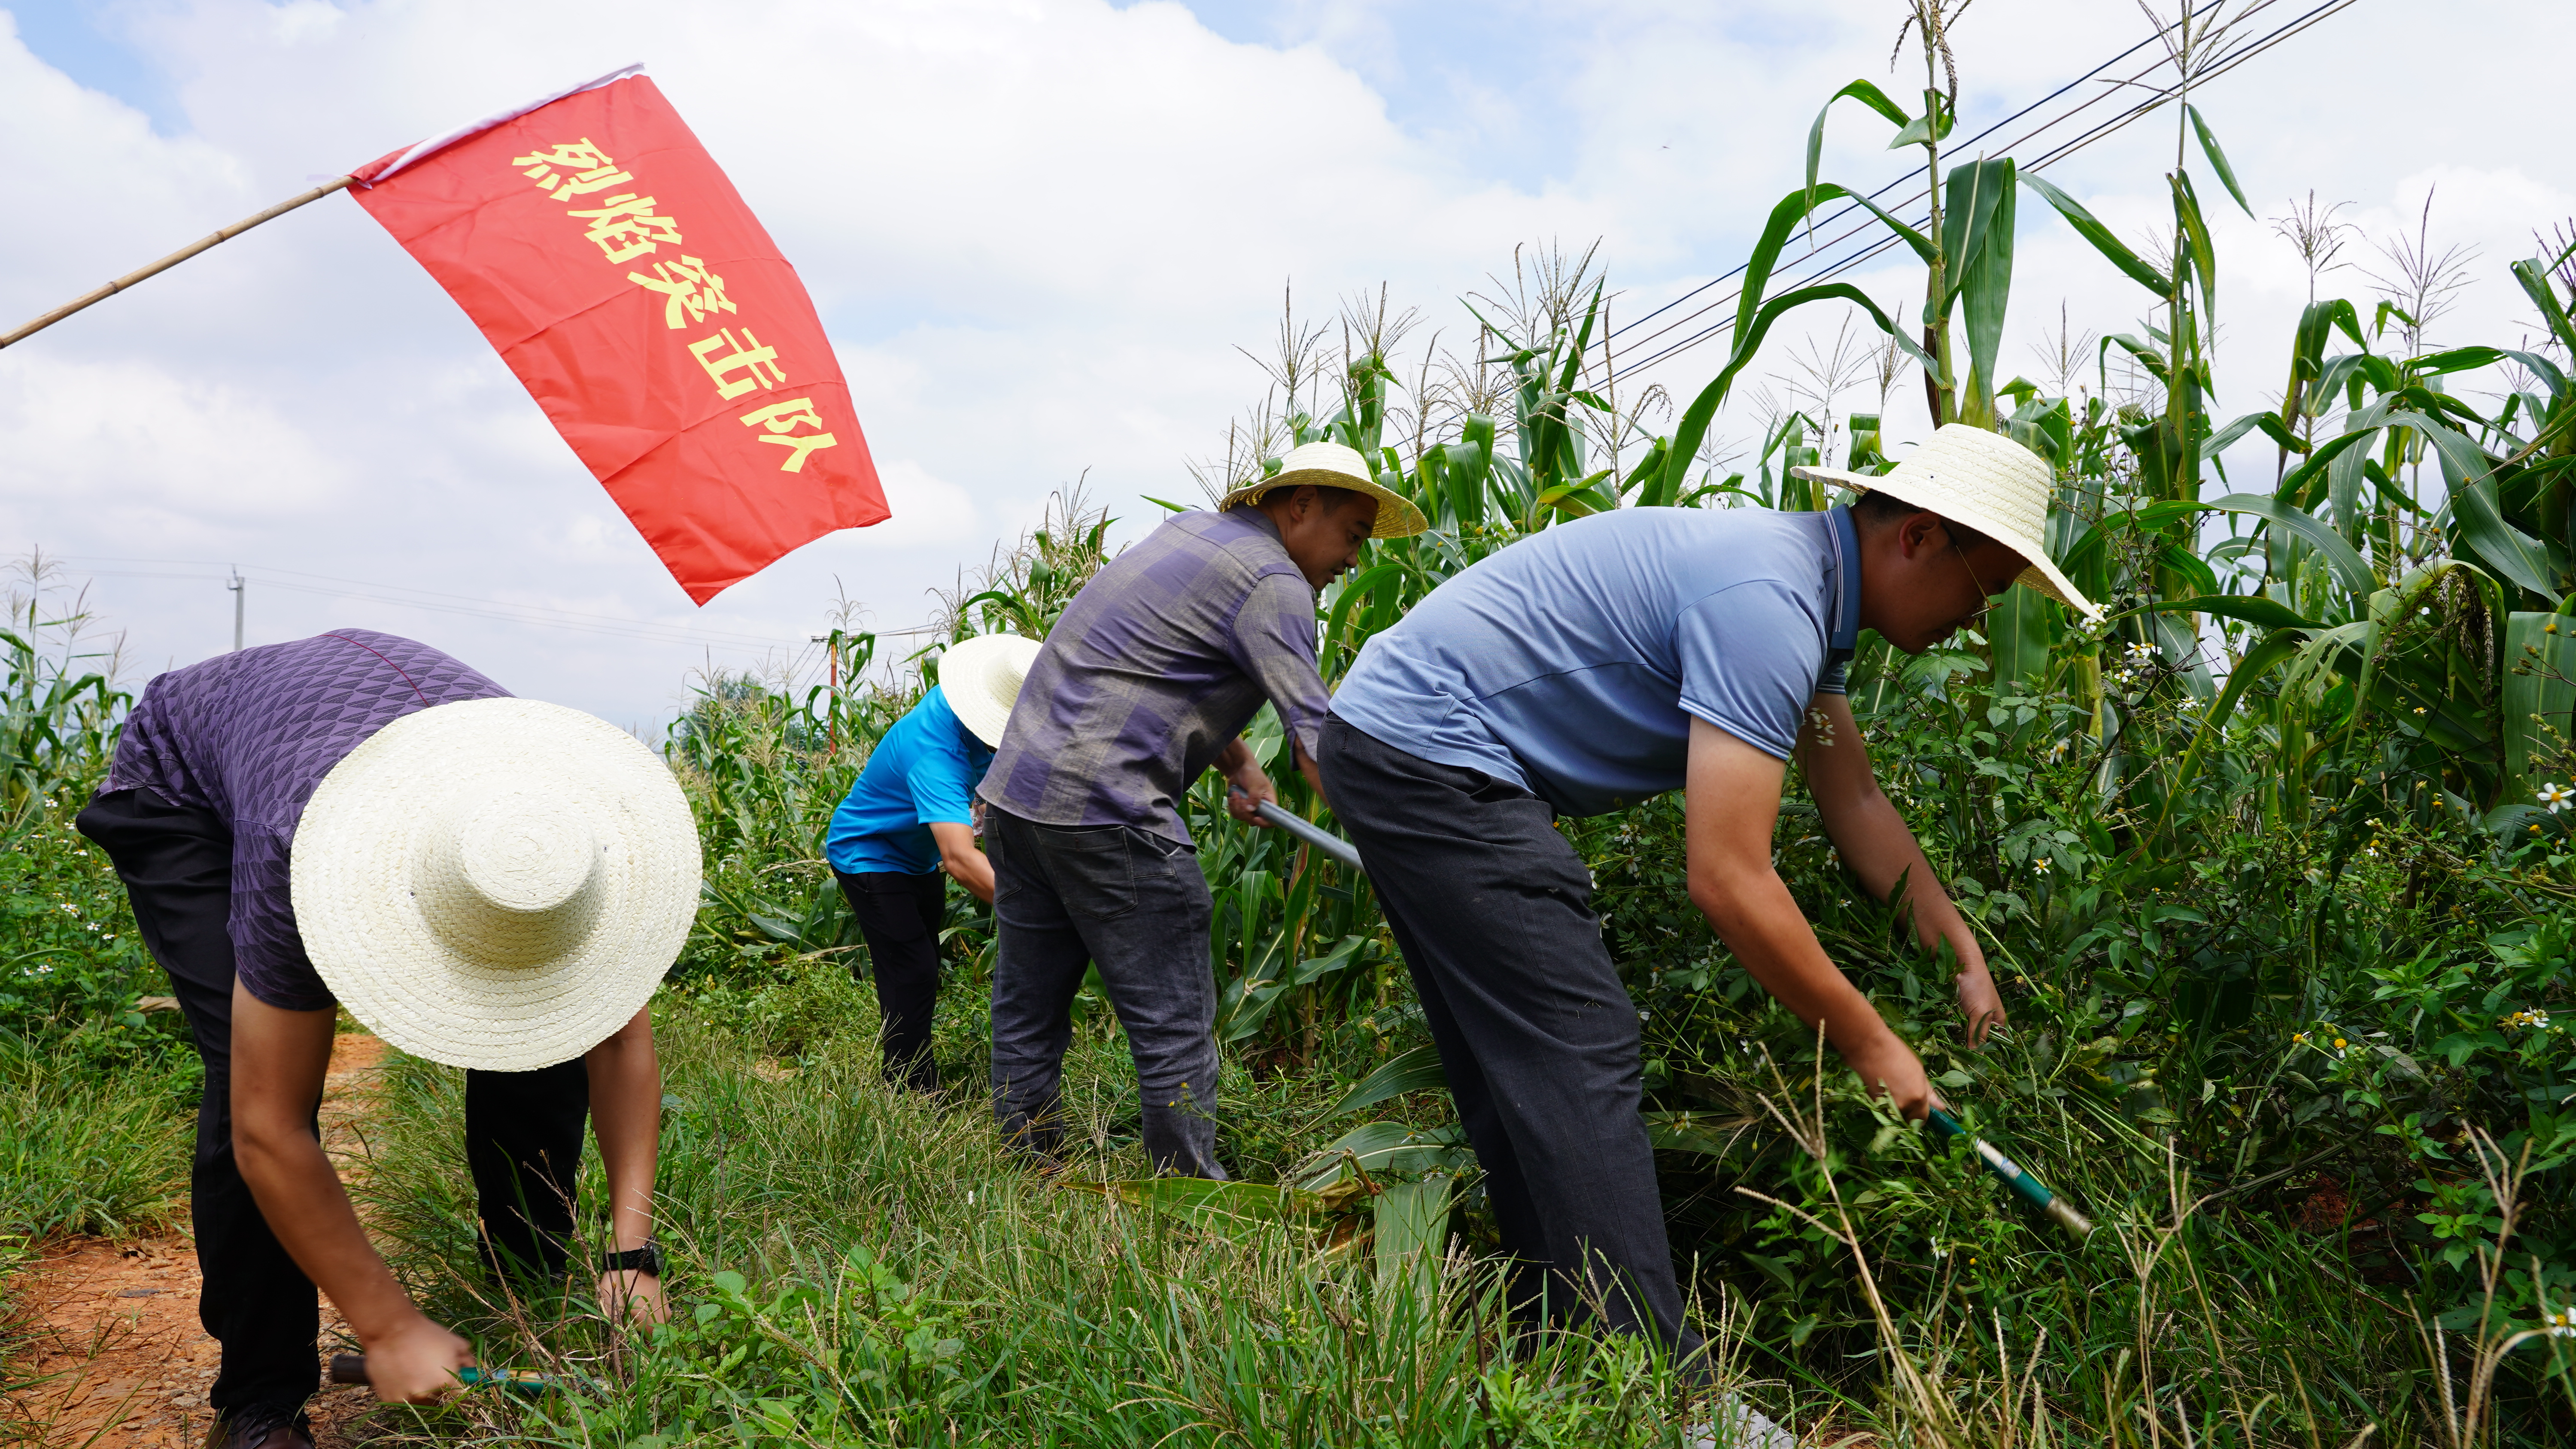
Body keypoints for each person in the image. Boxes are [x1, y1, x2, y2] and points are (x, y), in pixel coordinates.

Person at [1318, 424, 2097, 1365]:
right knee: (1578, 1041)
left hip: (1397, 742)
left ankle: (1562, 1349)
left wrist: (1964, 956)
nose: (1982, 618)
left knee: (1518, 1062)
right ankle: (1664, 1389)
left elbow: (1853, 797)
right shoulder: (1771, 603)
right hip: (1432, 752)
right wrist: (1869, 1040)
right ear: (1920, 537)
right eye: (1990, 586)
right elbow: (1727, 875)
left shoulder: (1806, 597)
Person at [76, 629, 701, 1446]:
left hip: (348, 742)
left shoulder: (571, 836)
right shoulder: (297, 842)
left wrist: (633, 1253)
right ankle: (260, 1397)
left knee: (544, 1021)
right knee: (247, 1071)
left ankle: (526, 1277)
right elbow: (271, 1126)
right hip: (186, 793)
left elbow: (616, 1043)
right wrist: (387, 1325)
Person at [976, 441, 1427, 1177]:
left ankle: (1030, 1174)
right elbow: (1320, 748)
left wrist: (1240, 761)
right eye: (1351, 534)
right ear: (1301, 505)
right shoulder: (1275, 582)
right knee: (1175, 1024)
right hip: (1106, 810)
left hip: (1019, 800)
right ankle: (1185, 1195)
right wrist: (1405, 852)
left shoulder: (1186, 535)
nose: (1353, 560)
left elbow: (1149, 661)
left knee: (1027, 1009)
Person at [824, 632, 1041, 1093]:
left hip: (918, 859)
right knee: (914, 967)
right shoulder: (934, 753)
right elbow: (961, 859)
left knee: (919, 963)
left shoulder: (978, 707)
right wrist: (1037, 909)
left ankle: (908, 1067)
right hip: (869, 854)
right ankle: (910, 1089)